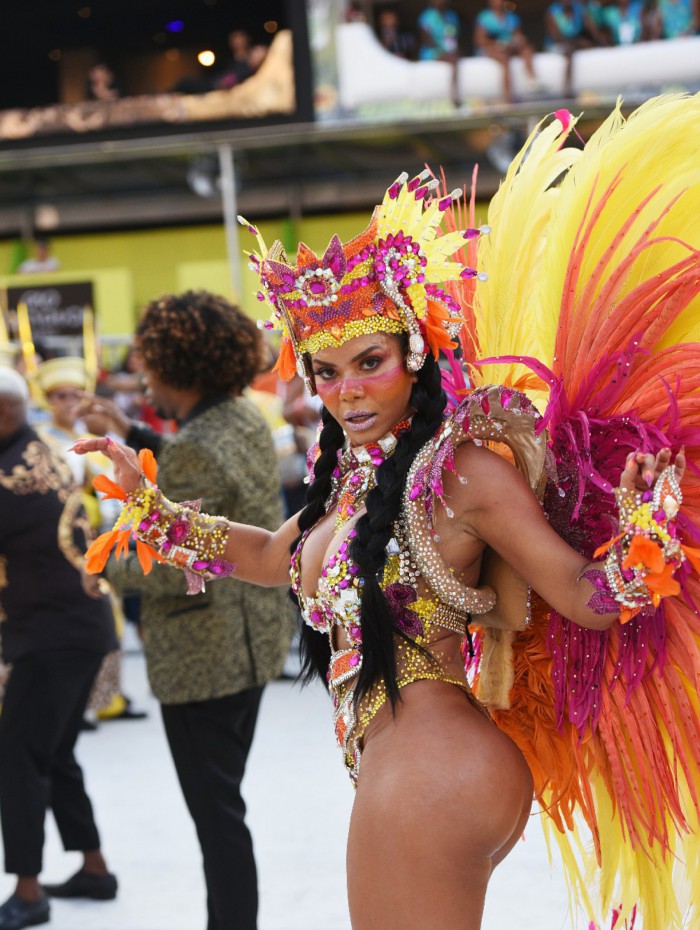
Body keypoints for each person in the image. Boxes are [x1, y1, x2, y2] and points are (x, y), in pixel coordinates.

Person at [75, 96, 700, 930]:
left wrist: (647, 536)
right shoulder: (354, 481)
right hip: (410, 770)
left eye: (368, 361)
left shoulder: (460, 471)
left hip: (435, 772)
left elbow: (586, 598)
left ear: (413, 353)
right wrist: (151, 509)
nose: (346, 390)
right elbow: (268, 557)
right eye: (326, 371)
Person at [80, 291, 293, 930]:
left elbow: (178, 557)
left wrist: (102, 569)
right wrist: (138, 436)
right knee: (223, 805)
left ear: (179, 367)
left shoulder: (198, 444)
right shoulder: (244, 416)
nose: (145, 379)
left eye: (151, 366)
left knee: (217, 817)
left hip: (206, 656)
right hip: (251, 639)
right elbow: (206, 470)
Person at [0, 368, 118, 930]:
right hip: (83, 625)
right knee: (55, 750)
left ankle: (28, 890)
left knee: (17, 755)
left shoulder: (7, 477)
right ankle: (95, 869)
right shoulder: (49, 449)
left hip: (50, 634)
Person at [474, 0, 539, 103]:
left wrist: (516, 41)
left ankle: (533, 80)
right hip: (491, 49)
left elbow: (519, 35)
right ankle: (507, 96)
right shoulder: (484, 17)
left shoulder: (512, 17)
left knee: (527, 48)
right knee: (504, 58)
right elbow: (480, 40)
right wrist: (498, 44)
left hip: (509, 46)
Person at [544, 0, 596, 95]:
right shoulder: (553, 11)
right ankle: (567, 89)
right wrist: (576, 42)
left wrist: (603, 43)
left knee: (587, 46)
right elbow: (555, 36)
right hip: (556, 44)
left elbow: (591, 27)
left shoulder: (578, 8)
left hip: (573, 43)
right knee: (569, 53)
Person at [417, 0, 461, 104]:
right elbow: (426, 40)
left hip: (449, 51)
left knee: (455, 57)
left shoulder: (452, 16)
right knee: (453, 60)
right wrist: (444, 48)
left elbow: (453, 37)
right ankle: (454, 96)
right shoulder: (426, 16)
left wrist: (452, 48)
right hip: (431, 52)